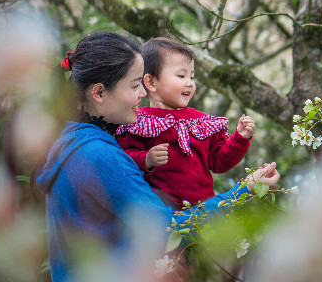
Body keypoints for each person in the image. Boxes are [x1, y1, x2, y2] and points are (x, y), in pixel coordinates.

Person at [35, 32, 278, 282]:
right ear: (98, 92)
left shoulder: (69, 145)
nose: (142, 93)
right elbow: (167, 230)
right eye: (134, 85)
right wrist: (246, 190)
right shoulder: (100, 156)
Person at [115, 37, 254, 210]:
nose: (189, 83)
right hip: (161, 217)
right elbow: (122, 162)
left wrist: (239, 139)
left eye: (192, 77)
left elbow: (219, 162)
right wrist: (146, 159)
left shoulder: (201, 123)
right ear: (151, 82)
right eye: (181, 76)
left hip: (205, 213)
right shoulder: (137, 123)